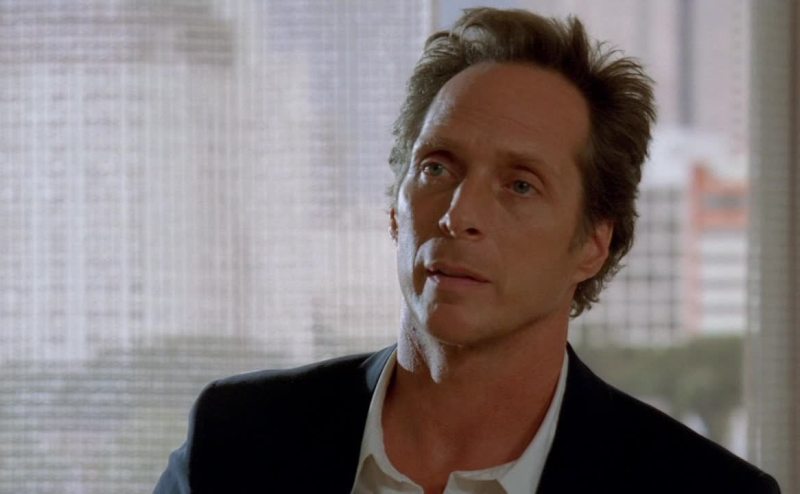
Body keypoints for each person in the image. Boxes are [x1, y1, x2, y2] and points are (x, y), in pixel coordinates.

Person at [154, 8, 780, 494]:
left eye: (520, 185)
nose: (459, 214)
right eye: (436, 168)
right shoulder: (239, 438)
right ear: (395, 208)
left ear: (593, 243)